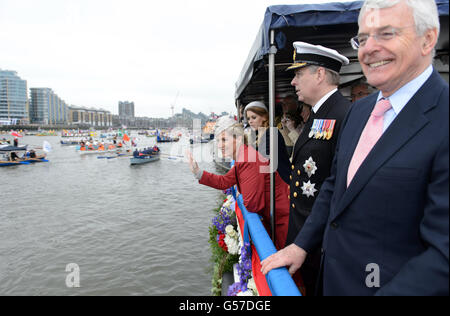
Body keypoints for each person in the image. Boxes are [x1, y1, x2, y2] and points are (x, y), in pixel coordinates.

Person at [262, 0, 448, 296]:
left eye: (386, 33)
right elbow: (335, 187)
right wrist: (300, 245)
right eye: (362, 38)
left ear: (428, 39)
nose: (369, 48)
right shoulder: (360, 112)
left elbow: (443, 255)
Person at [271, 41, 352, 296]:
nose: (293, 82)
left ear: (319, 74)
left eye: (298, 74)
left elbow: (338, 186)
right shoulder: (318, 115)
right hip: (305, 235)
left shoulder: (344, 115)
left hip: (321, 242)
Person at [187, 119, 290, 251]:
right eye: (218, 141)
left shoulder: (248, 159)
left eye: (224, 140)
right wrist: (198, 172)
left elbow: (252, 204)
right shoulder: (243, 156)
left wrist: (241, 192)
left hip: (282, 222)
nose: (219, 145)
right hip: (276, 219)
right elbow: (224, 181)